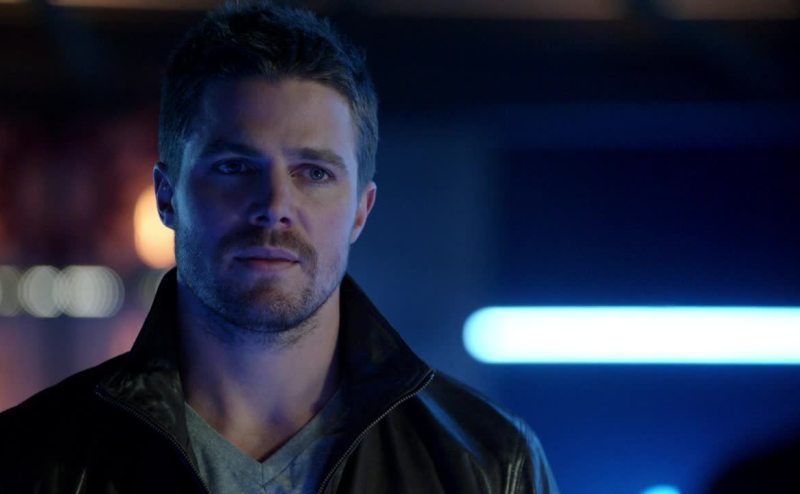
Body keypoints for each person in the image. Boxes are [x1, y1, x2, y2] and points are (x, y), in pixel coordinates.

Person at [0, 1, 559, 492]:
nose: (273, 205)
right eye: (235, 167)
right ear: (167, 196)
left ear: (361, 211)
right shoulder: (30, 459)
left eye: (313, 173)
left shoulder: (489, 465)